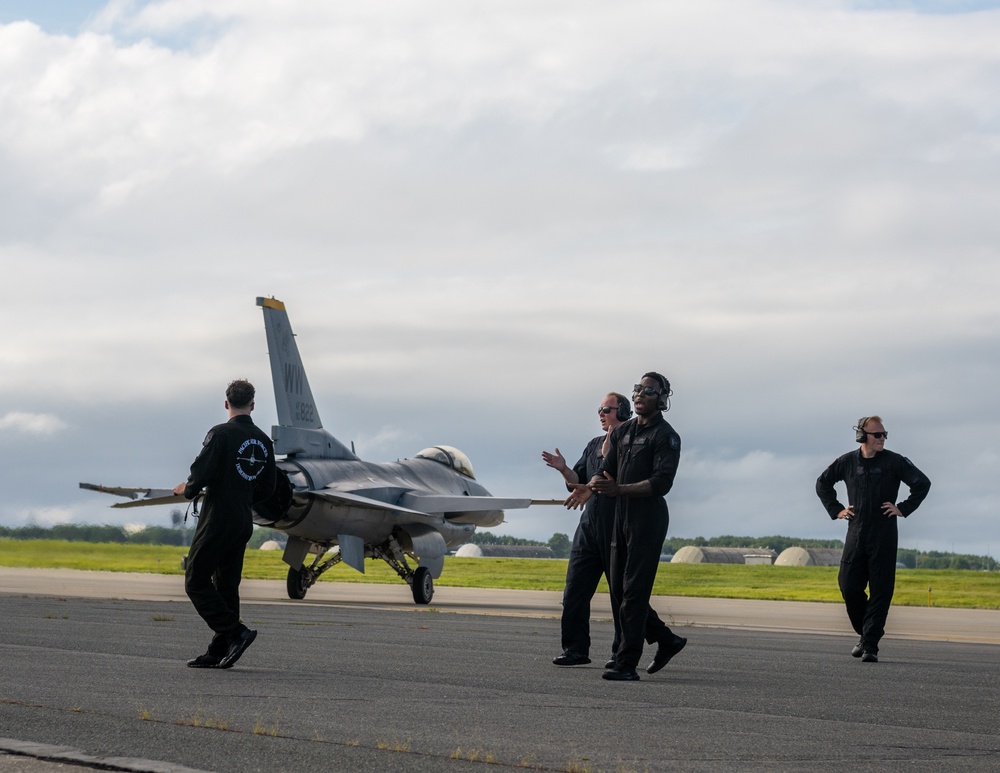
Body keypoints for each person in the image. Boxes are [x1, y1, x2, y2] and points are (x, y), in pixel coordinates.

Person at [581, 372, 684, 682]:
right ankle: (667, 641)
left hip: (647, 520)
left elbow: (661, 483)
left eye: (649, 391)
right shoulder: (624, 431)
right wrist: (594, 482)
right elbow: (606, 470)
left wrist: (619, 490)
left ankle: (626, 663)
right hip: (620, 517)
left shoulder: (666, 436)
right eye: (638, 389)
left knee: (634, 594)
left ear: (663, 399)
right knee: (620, 590)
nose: (640, 394)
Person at [173, 378, 276, 669]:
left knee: (195, 580)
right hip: (243, 518)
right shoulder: (264, 442)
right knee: (227, 586)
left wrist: (187, 489)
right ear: (252, 405)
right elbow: (269, 487)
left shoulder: (220, 435)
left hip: (217, 519)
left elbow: (201, 472)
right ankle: (219, 650)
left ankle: (236, 633)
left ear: (226, 403)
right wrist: (242, 495)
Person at [815, 416, 930, 663]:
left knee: (881, 591)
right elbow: (822, 483)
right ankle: (867, 632)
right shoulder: (846, 462)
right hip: (855, 533)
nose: (882, 439)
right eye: (877, 434)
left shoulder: (895, 462)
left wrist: (903, 507)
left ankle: (870, 646)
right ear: (862, 435)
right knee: (848, 585)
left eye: (884, 434)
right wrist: (837, 510)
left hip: (884, 535)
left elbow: (922, 484)